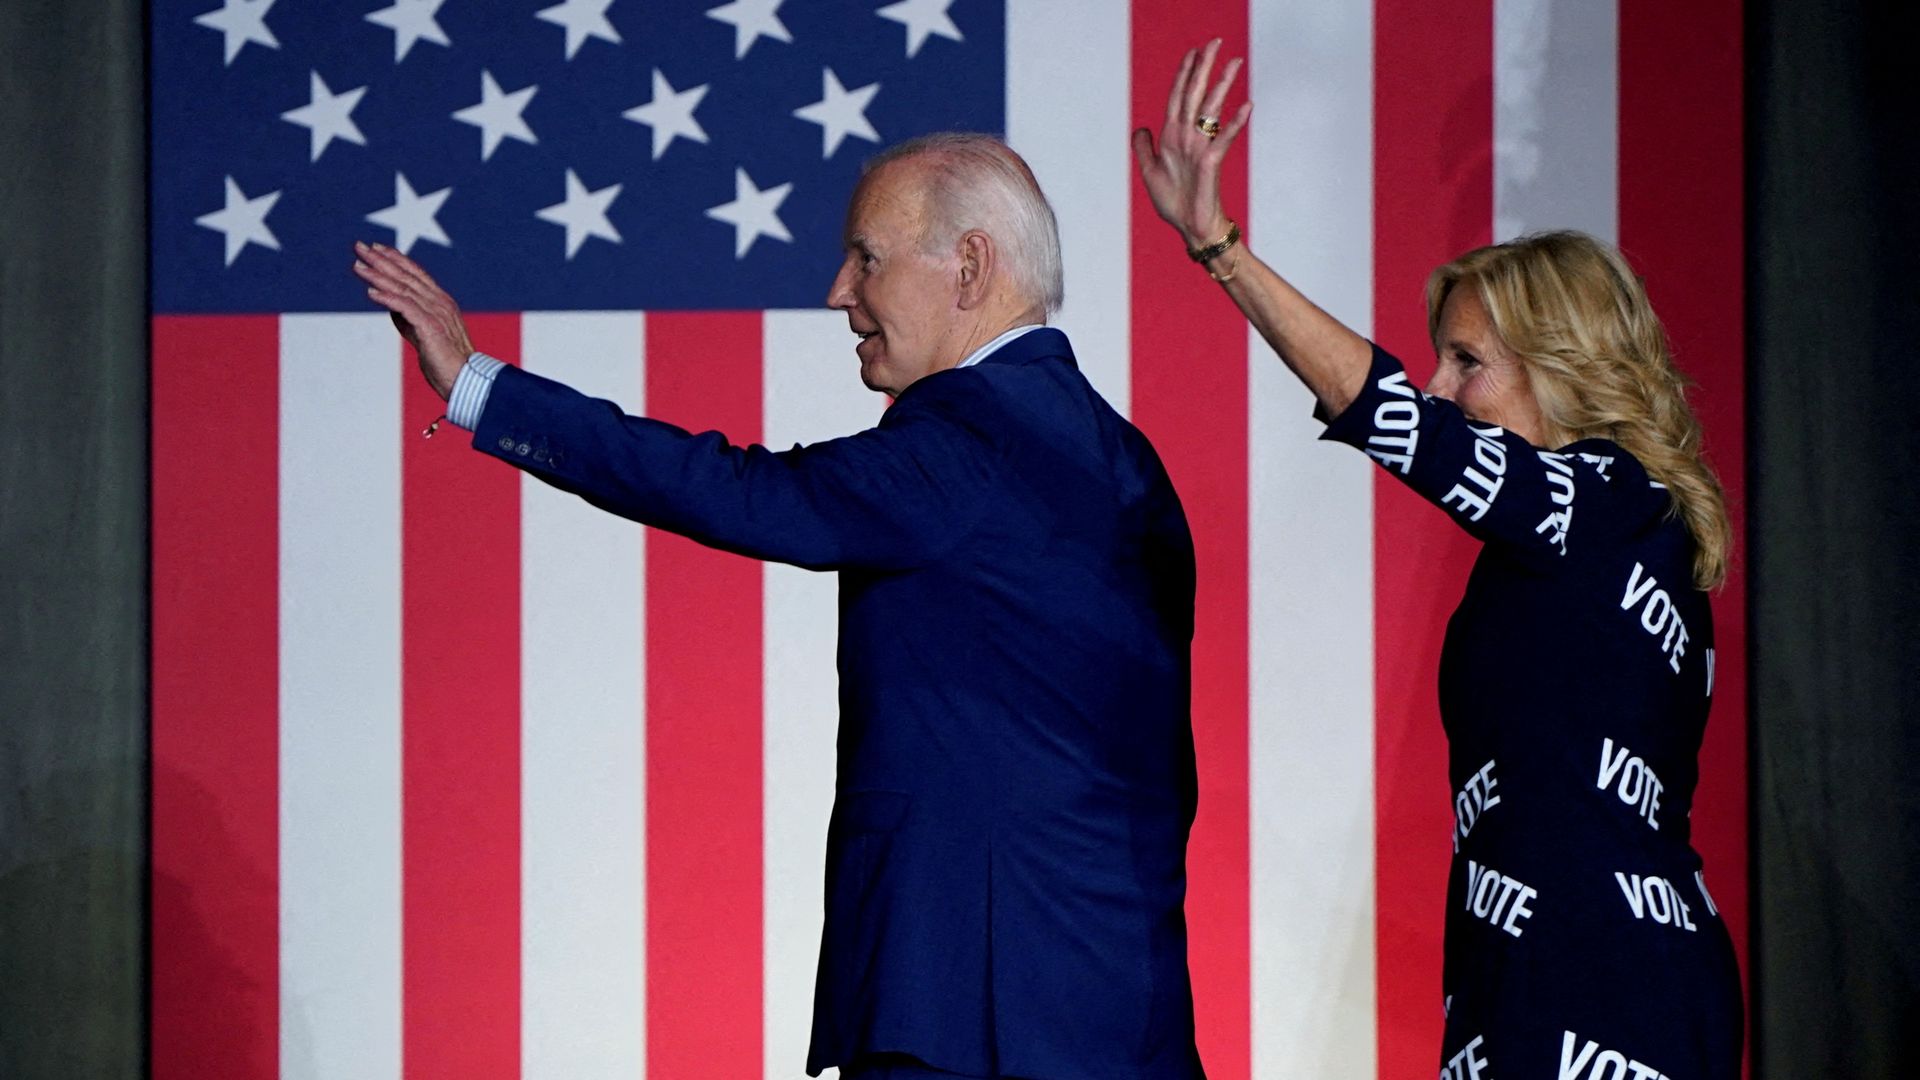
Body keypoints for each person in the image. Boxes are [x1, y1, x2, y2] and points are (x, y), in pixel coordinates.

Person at [354, 133, 1207, 1080]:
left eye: (868, 258)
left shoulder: (971, 434)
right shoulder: (1132, 463)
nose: (839, 292)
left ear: (968, 266)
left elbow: (747, 493)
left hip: (966, 1002)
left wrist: (480, 386)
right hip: (1121, 1002)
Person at [1131, 40, 1743, 1079]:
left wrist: (1222, 250)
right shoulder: (1583, 536)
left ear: (1565, 371)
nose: (1442, 386)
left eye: (1469, 362)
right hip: (1528, 974)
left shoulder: (1607, 499)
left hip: (1600, 983)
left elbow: (1389, 415)